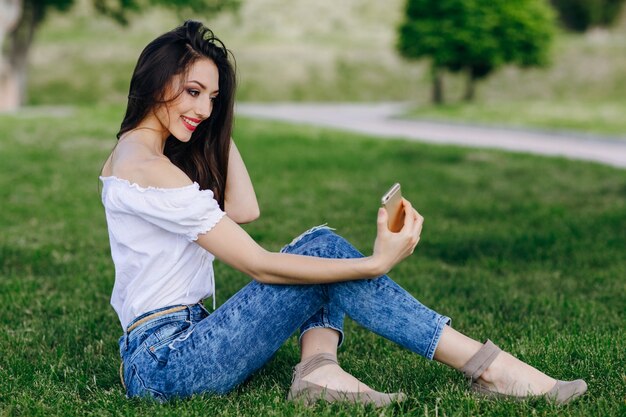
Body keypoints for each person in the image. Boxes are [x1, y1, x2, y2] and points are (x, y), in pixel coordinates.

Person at [98, 20, 587, 406]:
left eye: (213, 97)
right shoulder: (149, 168)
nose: (204, 108)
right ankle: (491, 369)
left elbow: (245, 208)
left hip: (170, 346)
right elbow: (257, 264)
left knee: (317, 248)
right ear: (157, 80)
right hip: (167, 361)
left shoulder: (136, 156)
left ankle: (320, 372)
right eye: (192, 91)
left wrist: (206, 120)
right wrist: (374, 265)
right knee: (323, 250)